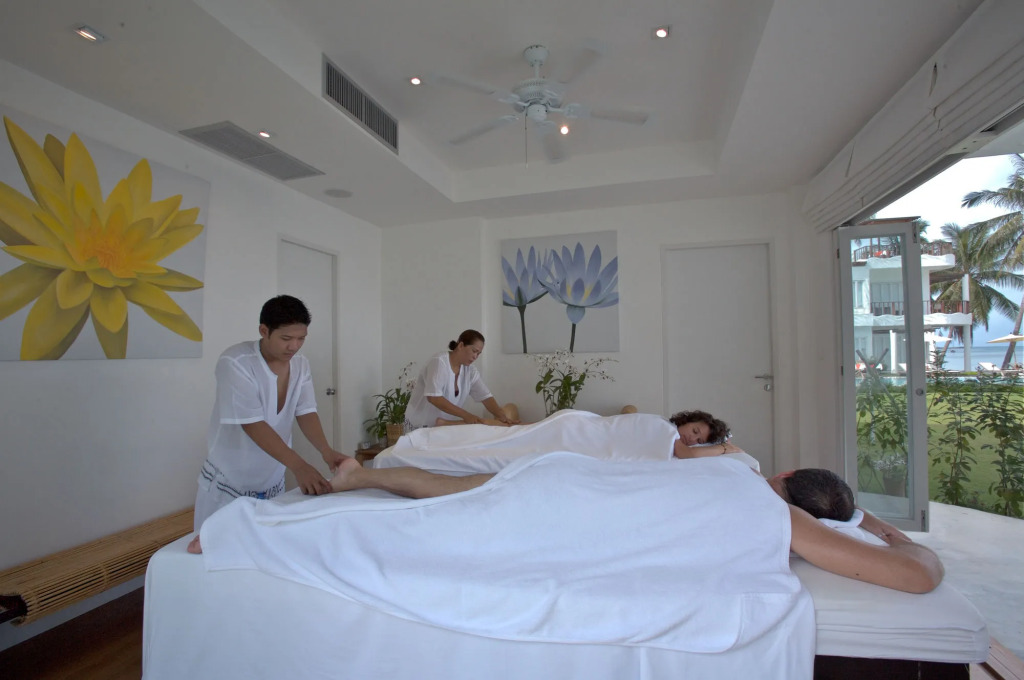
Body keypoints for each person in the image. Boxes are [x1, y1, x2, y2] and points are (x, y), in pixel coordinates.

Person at [188, 456, 944, 594]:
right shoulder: (782, 520)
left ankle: (356, 482)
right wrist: (895, 536)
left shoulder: (738, 474)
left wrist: (861, 516)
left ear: (785, 479)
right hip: (561, 514)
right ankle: (239, 531)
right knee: (412, 539)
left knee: (439, 502)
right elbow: (914, 578)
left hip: (561, 483)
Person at [193, 295, 349, 531]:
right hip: (230, 481)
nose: (294, 346)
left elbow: (306, 412)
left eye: (301, 339)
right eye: (286, 338)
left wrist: (326, 451)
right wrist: (299, 466)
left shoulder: (300, 364)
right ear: (264, 331)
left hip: (272, 479)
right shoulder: (236, 362)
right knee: (218, 546)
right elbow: (252, 424)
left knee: (266, 544)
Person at [405, 330, 517, 428]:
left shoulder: (470, 371)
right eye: (474, 351)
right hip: (420, 424)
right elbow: (434, 398)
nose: (475, 356)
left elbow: (486, 397)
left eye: (478, 353)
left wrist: (502, 417)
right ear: (461, 345)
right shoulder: (439, 362)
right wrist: (466, 415)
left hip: (442, 427)